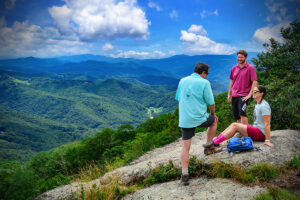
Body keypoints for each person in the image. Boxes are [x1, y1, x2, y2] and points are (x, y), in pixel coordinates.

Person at [175, 62, 222, 186]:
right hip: (200, 118)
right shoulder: (205, 82)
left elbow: (179, 98)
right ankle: (208, 147)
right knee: (213, 122)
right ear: (203, 73)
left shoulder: (182, 80)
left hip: (185, 119)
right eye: (207, 74)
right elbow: (211, 102)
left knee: (186, 147)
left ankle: (184, 174)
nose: (206, 76)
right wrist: (213, 114)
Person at [205, 85, 274, 149]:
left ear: (262, 93)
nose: (253, 92)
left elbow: (267, 124)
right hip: (257, 129)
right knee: (233, 124)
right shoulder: (258, 103)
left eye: (255, 91)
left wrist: (267, 140)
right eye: (253, 91)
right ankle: (216, 141)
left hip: (261, 133)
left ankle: (214, 143)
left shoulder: (264, 106)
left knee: (235, 126)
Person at [228, 50, 257, 124]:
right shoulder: (234, 68)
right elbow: (232, 81)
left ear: (246, 58)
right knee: (237, 115)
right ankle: (240, 132)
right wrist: (229, 94)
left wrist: (250, 94)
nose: (239, 59)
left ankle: (246, 133)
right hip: (235, 94)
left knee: (242, 113)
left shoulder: (250, 68)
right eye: (238, 57)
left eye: (241, 57)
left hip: (244, 95)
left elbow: (254, 82)